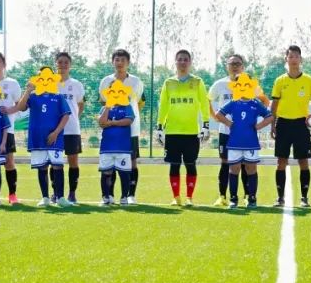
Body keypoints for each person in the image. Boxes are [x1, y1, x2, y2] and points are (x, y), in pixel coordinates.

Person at [208, 54, 268, 207]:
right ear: (227, 66)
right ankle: (223, 196)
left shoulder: (250, 85)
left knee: (246, 164)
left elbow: (265, 101)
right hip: (226, 131)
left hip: (246, 133)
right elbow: (207, 100)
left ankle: (248, 196)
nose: (234, 66)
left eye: (238, 63)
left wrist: (254, 121)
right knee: (225, 163)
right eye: (232, 63)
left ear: (243, 66)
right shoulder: (219, 84)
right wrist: (216, 117)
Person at [269, 45, 311, 208]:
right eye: (290, 56)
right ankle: (280, 198)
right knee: (281, 161)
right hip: (283, 124)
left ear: (301, 59)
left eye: (296, 56)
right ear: (286, 59)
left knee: (303, 161)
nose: (293, 59)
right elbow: (274, 105)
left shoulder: (308, 80)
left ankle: (304, 198)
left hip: (301, 124)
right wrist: (273, 124)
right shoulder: (280, 81)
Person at [156, 49, 210, 206]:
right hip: (172, 132)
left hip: (191, 132)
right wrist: (159, 126)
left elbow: (204, 104)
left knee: (190, 165)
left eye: (186, 59)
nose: (182, 62)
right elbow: (163, 106)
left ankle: (189, 198)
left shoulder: (197, 82)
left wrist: (205, 124)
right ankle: (176, 197)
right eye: (179, 59)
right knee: (174, 165)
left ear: (190, 62)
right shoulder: (168, 82)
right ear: (175, 62)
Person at [15, 67, 72, 207]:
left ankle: (60, 198)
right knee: (42, 168)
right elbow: (21, 107)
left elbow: (66, 116)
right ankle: (45, 198)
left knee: (57, 166)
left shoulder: (58, 96)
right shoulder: (33, 96)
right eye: (41, 77)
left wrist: (56, 132)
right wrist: (28, 90)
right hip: (37, 138)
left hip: (55, 138)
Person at [98, 49, 145, 204]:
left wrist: (127, 117)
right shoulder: (106, 81)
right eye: (117, 60)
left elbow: (139, 102)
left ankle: (130, 195)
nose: (120, 63)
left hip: (131, 129)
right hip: (110, 131)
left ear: (128, 63)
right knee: (110, 162)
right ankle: (109, 195)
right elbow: (103, 102)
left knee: (132, 161)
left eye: (123, 60)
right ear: (113, 62)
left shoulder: (136, 82)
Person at [0, 52, 23, 204]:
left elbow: (21, 104)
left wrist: (9, 110)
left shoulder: (12, 83)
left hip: (8, 130)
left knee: (9, 162)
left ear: (4, 65)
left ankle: (12, 195)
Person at [97, 81, 136, 206]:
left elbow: (128, 120)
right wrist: (108, 106)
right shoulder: (104, 108)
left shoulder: (127, 106)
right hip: (106, 147)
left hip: (123, 148)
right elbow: (102, 122)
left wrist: (112, 123)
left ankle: (124, 197)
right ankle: (106, 198)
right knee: (106, 173)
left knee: (124, 173)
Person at [55, 52, 86, 204]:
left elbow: (81, 104)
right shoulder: (50, 84)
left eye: (66, 62)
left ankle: (72, 193)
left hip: (72, 129)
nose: (63, 65)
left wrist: (73, 118)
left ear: (70, 65)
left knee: (73, 162)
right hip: (54, 130)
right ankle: (56, 193)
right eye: (60, 62)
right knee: (55, 162)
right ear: (56, 64)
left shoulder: (77, 84)